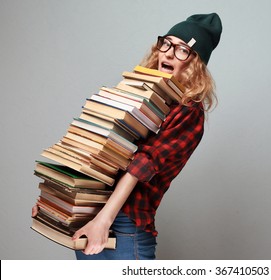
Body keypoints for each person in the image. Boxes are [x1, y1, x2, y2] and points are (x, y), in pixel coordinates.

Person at [32, 12, 222, 260]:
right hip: (89, 216)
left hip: (122, 226)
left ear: (195, 63)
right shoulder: (138, 93)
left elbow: (141, 164)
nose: (168, 52)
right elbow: (93, 148)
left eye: (182, 49)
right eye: (167, 43)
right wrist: (55, 202)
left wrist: (103, 221)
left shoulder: (188, 113)